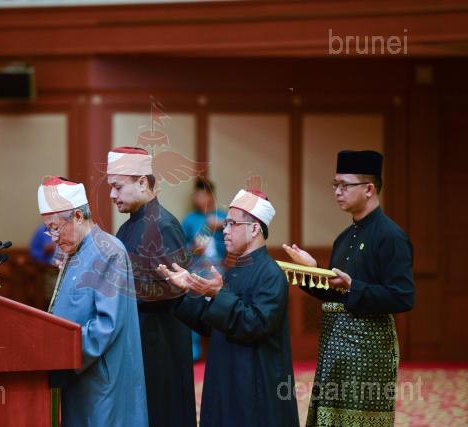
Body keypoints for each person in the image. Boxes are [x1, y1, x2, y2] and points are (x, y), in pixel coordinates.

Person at [282, 150, 415, 426]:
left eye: (344, 185)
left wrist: (355, 286)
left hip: (369, 352)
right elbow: (336, 292)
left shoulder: (390, 236)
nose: (337, 192)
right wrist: (311, 270)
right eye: (335, 185)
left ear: (369, 189)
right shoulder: (344, 238)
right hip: (334, 348)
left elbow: (402, 296)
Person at [158, 187, 300, 427]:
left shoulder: (271, 274)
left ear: (254, 229)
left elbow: (256, 324)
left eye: (232, 224)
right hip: (225, 378)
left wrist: (218, 294)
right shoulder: (234, 270)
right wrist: (184, 290)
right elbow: (211, 324)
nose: (224, 230)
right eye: (225, 224)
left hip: (253, 384)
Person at [38, 176, 148, 427]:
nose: (53, 237)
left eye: (56, 227)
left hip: (100, 379)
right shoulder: (74, 249)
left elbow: (106, 326)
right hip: (77, 372)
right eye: (48, 229)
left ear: (78, 216)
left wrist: (60, 350)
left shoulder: (109, 251)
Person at [106, 146, 197, 427]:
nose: (112, 195)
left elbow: (173, 290)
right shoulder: (128, 227)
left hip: (161, 346)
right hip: (139, 341)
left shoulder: (164, 226)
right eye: (111, 188)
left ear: (143, 182)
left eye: (118, 187)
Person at [181, 178, 227, 360]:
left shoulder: (222, 217)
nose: (198, 199)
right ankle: (193, 353)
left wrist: (222, 224)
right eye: (196, 195)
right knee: (194, 309)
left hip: (219, 270)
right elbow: (181, 249)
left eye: (202, 195)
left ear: (210, 196)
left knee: (221, 309)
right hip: (196, 270)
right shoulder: (190, 220)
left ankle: (222, 351)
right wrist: (193, 248)